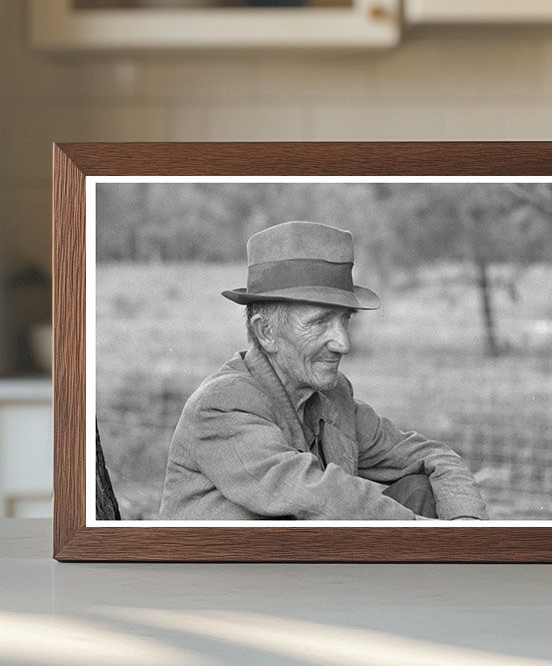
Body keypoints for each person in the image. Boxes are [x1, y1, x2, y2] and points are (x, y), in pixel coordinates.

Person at [158, 221, 489, 521]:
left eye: (344, 320)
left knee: (420, 489)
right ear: (266, 332)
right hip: (223, 582)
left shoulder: (331, 396)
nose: (343, 343)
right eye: (319, 323)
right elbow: (320, 496)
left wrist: (466, 527)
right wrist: (428, 537)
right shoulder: (222, 404)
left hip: (297, 578)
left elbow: (434, 456)